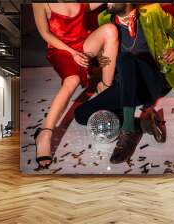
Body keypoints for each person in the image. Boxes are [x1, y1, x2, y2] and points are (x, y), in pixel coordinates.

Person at [74, 3, 174, 164]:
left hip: (152, 81)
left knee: (125, 58)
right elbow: (100, 51)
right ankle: (141, 124)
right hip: (126, 86)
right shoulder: (105, 19)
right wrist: (96, 60)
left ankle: (128, 131)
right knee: (81, 115)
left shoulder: (152, 12)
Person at [32, 3, 119, 168]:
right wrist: (73, 54)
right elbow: (45, 33)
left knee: (110, 30)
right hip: (61, 49)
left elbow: (92, 5)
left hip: (83, 45)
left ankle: (105, 87)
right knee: (72, 80)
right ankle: (44, 134)